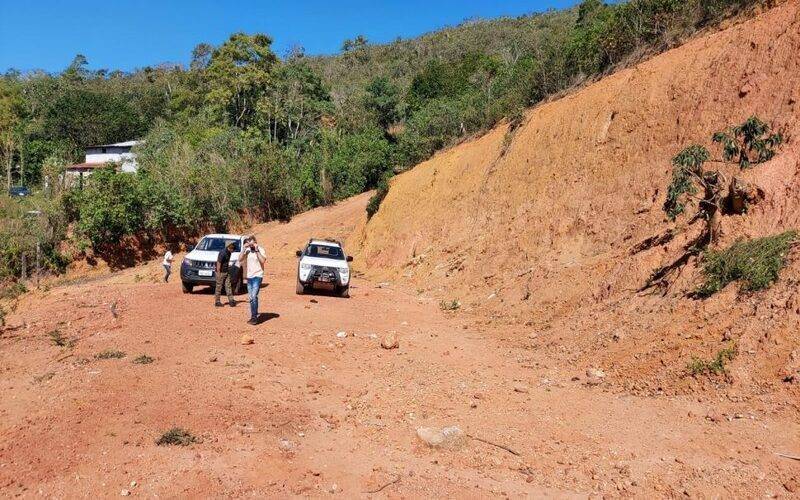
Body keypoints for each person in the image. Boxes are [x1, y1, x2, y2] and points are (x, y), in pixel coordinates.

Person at [238, 235, 266, 325]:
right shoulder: (248, 251)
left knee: (253, 296)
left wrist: (257, 250)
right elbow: (240, 259)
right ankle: (254, 315)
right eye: (249, 244)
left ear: (255, 242)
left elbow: (262, 261)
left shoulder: (261, 250)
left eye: (252, 243)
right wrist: (244, 248)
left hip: (258, 276)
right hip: (249, 277)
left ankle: (254, 318)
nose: (251, 245)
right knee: (251, 298)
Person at [214, 241, 237, 307]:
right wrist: (218, 273)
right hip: (220, 272)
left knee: (228, 286)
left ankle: (231, 300)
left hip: (226, 271)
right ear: (229, 247)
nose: (233, 250)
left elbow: (227, 261)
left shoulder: (229, 253)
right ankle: (217, 301)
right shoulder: (222, 253)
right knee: (219, 286)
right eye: (232, 248)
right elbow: (218, 263)